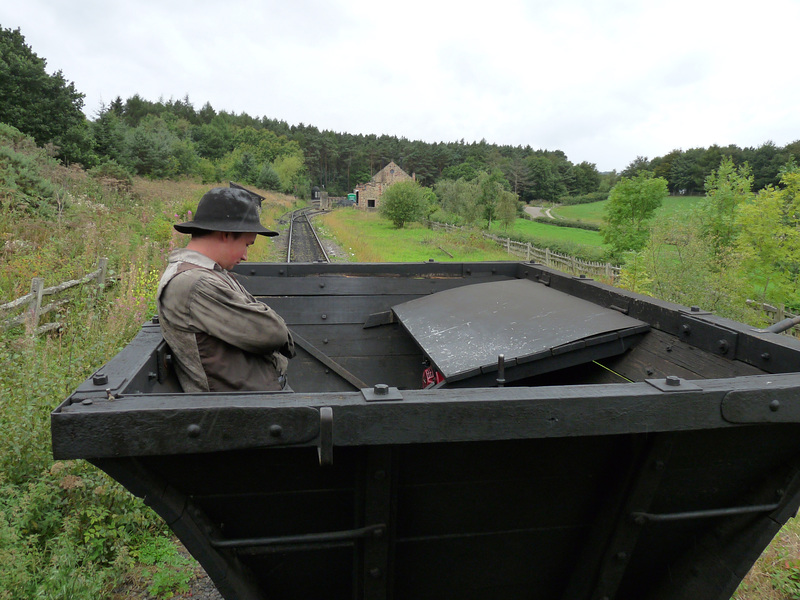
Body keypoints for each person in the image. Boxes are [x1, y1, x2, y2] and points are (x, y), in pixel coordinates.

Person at [157, 187, 295, 392]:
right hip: (237, 410)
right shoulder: (195, 283)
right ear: (226, 234)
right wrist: (273, 322)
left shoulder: (209, 273)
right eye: (247, 244)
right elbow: (273, 333)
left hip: (248, 401)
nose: (246, 256)